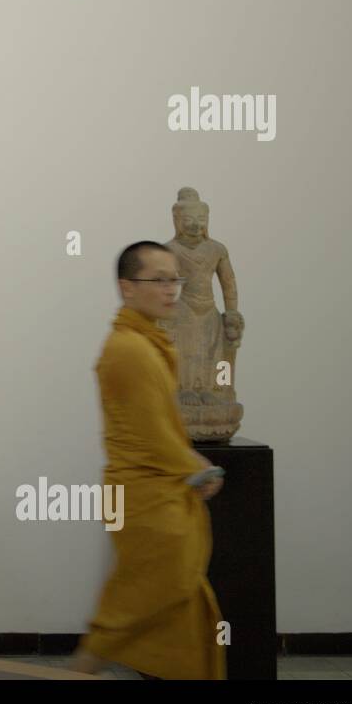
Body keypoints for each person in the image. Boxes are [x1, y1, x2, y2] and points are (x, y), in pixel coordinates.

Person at [70, 242, 226, 679]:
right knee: (144, 597)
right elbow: (153, 435)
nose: (171, 289)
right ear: (127, 288)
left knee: (172, 600)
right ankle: (81, 668)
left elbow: (160, 426)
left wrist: (190, 460)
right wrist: (198, 466)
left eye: (174, 279)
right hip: (145, 497)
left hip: (155, 490)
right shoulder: (129, 350)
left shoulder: (145, 342)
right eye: (157, 280)